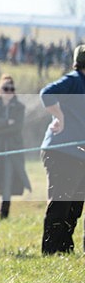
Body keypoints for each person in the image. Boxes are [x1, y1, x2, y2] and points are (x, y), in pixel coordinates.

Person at [39, 44, 85, 254]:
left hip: (80, 154)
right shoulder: (74, 80)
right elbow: (47, 94)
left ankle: (65, 249)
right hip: (61, 152)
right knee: (61, 202)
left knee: (75, 205)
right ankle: (51, 250)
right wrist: (59, 116)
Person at [0, 74, 31, 220]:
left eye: (11, 89)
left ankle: (4, 215)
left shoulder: (19, 107)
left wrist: (0, 128)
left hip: (12, 148)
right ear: (0, 90)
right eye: (5, 88)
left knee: (8, 180)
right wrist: (5, 122)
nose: (8, 91)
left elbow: (17, 127)